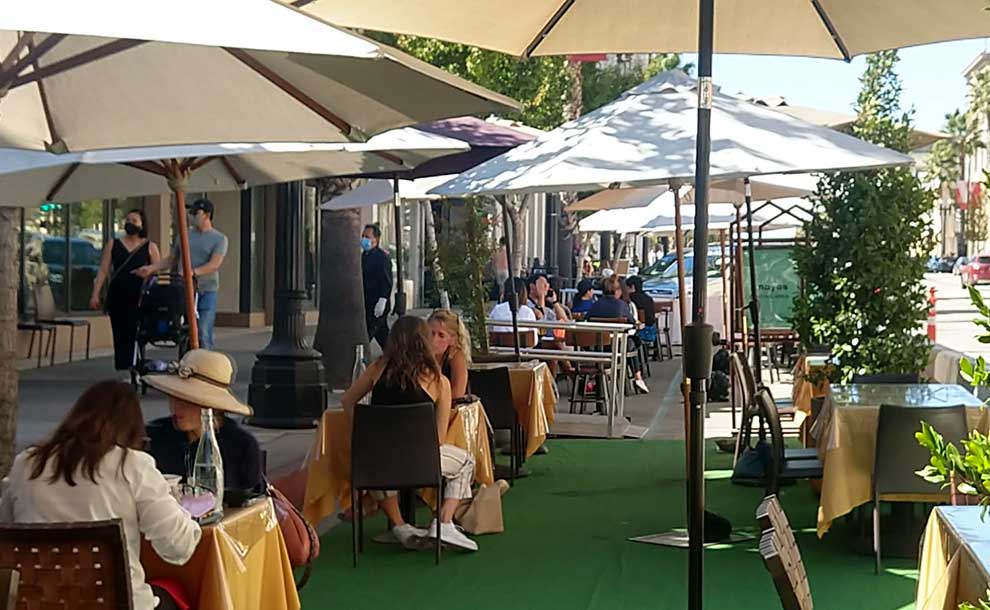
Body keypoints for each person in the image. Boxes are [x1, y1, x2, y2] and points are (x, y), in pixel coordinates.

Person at [0, 381, 201, 610]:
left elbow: (5, 531)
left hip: (40, 602)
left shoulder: (26, 464)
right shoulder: (133, 466)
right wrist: (184, 511)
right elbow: (178, 548)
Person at [342, 316, 478, 552]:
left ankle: (399, 526)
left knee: (377, 457)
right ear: (424, 342)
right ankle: (444, 522)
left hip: (377, 465)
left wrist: (365, 429)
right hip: (421, 463)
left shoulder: (377, 368)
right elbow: (438, 439)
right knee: (466, 462)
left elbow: (348, 400)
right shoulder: (439, 381)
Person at [144, 349, 264, 492]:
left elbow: (256, 504)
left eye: (188, 401)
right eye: (174, 397)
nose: (177, 407)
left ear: (213, 406)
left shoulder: (241, 445)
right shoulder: (155, 438)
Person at [135, 198, 228, 350]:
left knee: (203, 331)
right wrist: (151, 268)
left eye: (195, 212)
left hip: (205, 290)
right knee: (182, 329)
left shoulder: (219, 239)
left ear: (207, 215)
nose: (191, 215)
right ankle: (187, 361)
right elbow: (172, 259)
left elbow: (214, 264)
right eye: (190, 212)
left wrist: (192, 272)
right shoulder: (184, 236)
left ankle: (205, 364)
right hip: (183, 289)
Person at [90, 209, 161, 374]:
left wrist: (148, 276)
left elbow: (156, 272)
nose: (130, 223)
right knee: (120, 329)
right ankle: (124, 363)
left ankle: (136, 361)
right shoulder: (113, 244)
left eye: (134, 220)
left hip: (140, 295)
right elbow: (103, 270)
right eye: (128, 220)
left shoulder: (150, 246)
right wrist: (95, 294)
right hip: (118, 293)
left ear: (142, 224)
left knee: (135, 330)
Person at [587, 276, 650, 394]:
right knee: (632, 342)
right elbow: (632, 323)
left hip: (597, 348)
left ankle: (596, 381)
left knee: (630, 341)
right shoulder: (621, 305)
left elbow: (587, 319)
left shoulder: (596, 304)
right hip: (618, 347)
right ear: (617, 291)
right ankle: (638, 377)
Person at [428, 309, 472, 401]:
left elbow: (458, 392)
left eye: (441, 335)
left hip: (449, 407)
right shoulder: (419, 352)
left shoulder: (456, 356)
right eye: (431, 333)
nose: (434, 339)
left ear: (453, 339)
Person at [361, 224, 392, 350]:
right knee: (383, 335)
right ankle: (396, 357)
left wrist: (383, 299)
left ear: (376, 239)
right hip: (367, 303)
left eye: (367, 237)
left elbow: (386, 280)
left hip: (377, 304)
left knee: (367, 333)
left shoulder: (381, 258)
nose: (364, 240)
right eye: (363, 236)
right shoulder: (364, 257)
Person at [489, 277, 538, 344]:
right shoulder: (528, 312)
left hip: (500, 349)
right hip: (522, 350)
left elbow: (490, 332)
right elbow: (534, 341)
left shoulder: (497, 309)